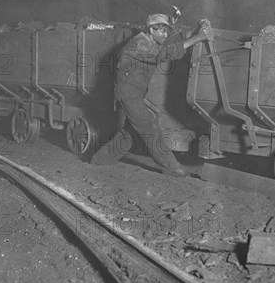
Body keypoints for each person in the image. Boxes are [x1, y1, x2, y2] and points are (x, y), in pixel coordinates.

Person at [90, 13, 211, 177]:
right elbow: (163, 53)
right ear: (152, 30)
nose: (165, 35)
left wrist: (196, 28)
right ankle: (171, 167)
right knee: (149, 126)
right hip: (128, 94)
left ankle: (99, 160)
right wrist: (199, 38)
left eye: (166, 31)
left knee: (129, 135)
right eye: (162, 31)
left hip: (136, 93)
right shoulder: (139, 44)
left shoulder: (152, 40)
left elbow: (175, 40)